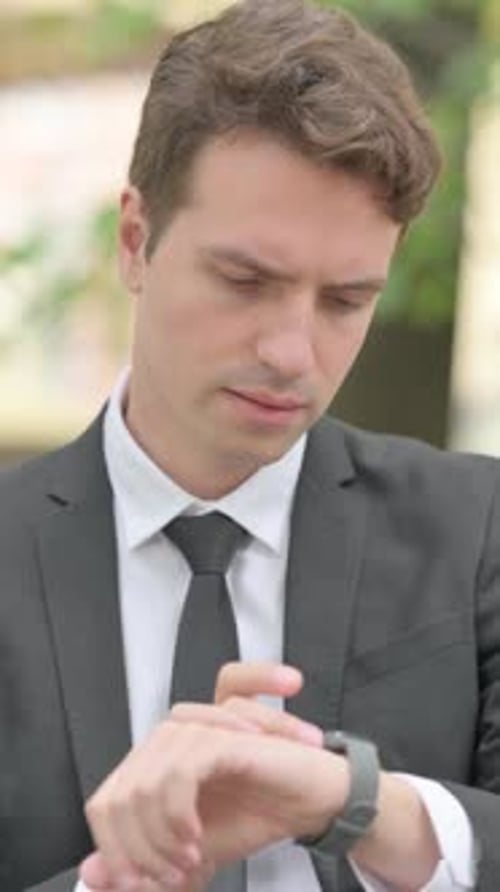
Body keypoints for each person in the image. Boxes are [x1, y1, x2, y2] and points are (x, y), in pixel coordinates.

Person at [1, 0, 499, 890]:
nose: (292, 353)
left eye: (346, 301)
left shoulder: (481, 529)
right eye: (245, 280)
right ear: (135, 241)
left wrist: (354, 801)